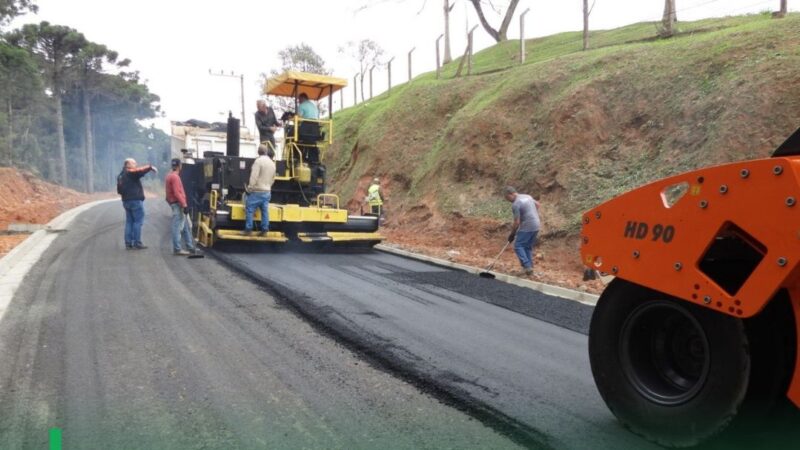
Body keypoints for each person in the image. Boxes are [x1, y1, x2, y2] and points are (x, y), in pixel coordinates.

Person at [117, 158, 158, 250]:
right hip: (135, 200)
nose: (136, 164)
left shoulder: (120, 175)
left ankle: (128, 243)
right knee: (137, 222)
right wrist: (150, 167)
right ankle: (137, 242)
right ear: (127, 164)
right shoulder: (130, 172)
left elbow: (119, 191)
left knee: (129, 222)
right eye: (134, 163)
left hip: (126, 201)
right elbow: (140, 171)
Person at [503, 186, 541, 277]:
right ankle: (529, 268)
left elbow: (517, 222)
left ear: (511, 194)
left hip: (527, 226)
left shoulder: (516, 204)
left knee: (518, 246)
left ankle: (527, 267)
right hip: (536, 224)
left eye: (508, 198)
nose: (509, 200)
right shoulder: (527, 196)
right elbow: (538, 205)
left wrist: (512, 234)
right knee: (527, 247)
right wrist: (531, 213)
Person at [242, 145, 276, 236]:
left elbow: (254, 176)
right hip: (267, 191)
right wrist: (268, 186)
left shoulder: (258, 162)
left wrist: (249, 188)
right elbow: (273, 178)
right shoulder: (272, 163)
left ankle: (248, 229)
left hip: (257, 191)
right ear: (266, 152)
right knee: (265, 210)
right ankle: (265, 230)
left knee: (249, 209)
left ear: (258, 152)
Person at [165, 158, 197, 256]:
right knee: (177, 226)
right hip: (178, 204)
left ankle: (190, 247)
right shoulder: (175, 177)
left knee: (186, 226)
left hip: (175, 203)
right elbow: (177, 193)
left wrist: (170, 202)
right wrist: (184, 204)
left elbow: (167, 194)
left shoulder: (169, 176)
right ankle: (177, 249)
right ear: (180, 166)